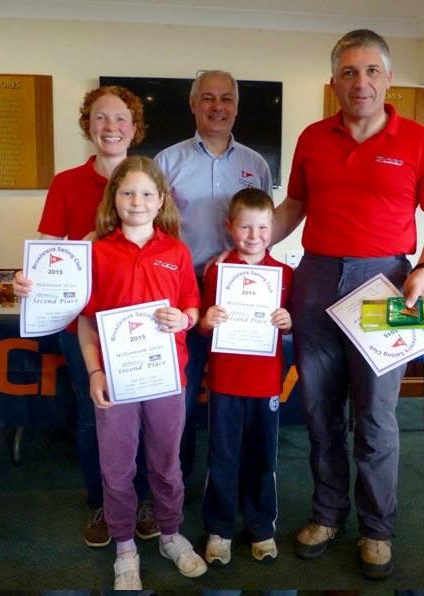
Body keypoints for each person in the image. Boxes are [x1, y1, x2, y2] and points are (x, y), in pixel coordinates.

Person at [271, 29, 424, 579]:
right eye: (349, 72)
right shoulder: (312, 137)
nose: (361, 82)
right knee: (318, 411)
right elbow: (295, 206)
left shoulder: (423, 143)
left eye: (372, 71)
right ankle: (328, 515)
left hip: (385, 286)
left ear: (388, 78)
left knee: (375, 417)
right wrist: (248, 246)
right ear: (334, 82)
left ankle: (377, 529)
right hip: (315, 279)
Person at [13, 86, 158, 547]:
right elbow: (47, 251)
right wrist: (26, 282)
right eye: (100, 118)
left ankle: (142, 501)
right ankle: (101, 502)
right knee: (94, 414)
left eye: (119, 119)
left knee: (146, 416)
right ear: (88, 126)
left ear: (134, 128)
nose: (110, 127)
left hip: (142, 321)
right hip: (86, 324)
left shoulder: (152, 180)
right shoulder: (67, 183)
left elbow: (168, 245)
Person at [78, 155, 207, 589]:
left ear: (161, 201)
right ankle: (124, 546)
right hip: (115, 380)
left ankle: (170, 534)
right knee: (115, 467)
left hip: (167, 379)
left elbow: (191, 304)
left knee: (167, 464)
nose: (137, 201)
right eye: (128, 192)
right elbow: (86, 320)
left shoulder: (176, 250)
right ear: (114, 199)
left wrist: (185, 319)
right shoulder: (96, 251)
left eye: (147, 193)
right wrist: (95, 372)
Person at [155, 69, 272, 479]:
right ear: (193, 104)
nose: (217, 106)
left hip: (235, 297)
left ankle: (231, 483)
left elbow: (263, 228)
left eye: (226, 99)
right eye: (208, 98)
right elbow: (151, 231)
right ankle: (175, 485)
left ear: (237, 107)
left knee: (232, 397)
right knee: (180, 397)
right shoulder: (166, 161)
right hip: (181, 293)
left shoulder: (255, 164)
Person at [199, 188, 292, 565]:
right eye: (246, 227)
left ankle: (261, 527)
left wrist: (288, 322)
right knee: (222, 455)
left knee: (262, 458)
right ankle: (219, 529)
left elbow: (289, 324)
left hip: (265, 384)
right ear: (230, 227)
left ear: (272, 229)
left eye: (263, 228)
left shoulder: (285, 274)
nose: (254, 236)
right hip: (224, 382)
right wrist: (207, 321)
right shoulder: (216, 272)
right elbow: (203, 325)